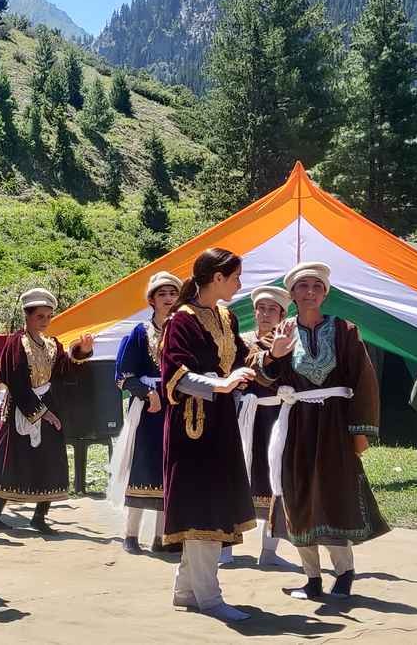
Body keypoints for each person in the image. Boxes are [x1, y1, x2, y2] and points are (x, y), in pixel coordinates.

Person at [254, 262, 390, 600]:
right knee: (297, 495)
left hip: (334, 427)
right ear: (292, 294)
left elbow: (364, 381)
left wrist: (360, 431)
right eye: (302, 286)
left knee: (334, 494)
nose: (310, 292)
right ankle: (312, 578)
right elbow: (258, 377)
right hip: (297, 425)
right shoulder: (280, 332)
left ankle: (344, 573)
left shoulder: (344, 330)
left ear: (325, 294)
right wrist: (273, 355)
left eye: (317, 286)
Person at [160, 248, 257, 622]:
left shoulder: (226, 316)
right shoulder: (180, 321)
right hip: (193, 427)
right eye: (235, 277)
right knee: (202, 506)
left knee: (213, 503)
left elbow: (242, 360)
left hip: (221, 424)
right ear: (217, 278)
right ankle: (210, 598)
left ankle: (187, 591)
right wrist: (221, 384)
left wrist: (271, 355)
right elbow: (175, 374)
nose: (239, 284)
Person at [0, 288, 93, 535]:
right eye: (40, 316)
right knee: (11, 459)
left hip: (47, 403)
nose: (45, 321)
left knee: (50, 458)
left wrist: (81, 351)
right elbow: (15, 381)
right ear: (27, 315)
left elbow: (64, 369)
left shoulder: (52, 344)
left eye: (49, 316)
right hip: (20, 406)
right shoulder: (16, 343)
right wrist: (42, 413)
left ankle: (40, 516)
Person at [108, 271, 181, 554]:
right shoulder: (139, 333)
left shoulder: (183, 332)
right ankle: (131, 534)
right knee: (141, 465)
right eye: (162, 294)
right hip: (147, 409)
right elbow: (123, 376)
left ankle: (162, 537)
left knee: (169, 468)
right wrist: (147, 393)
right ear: (151, 300)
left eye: (173, 293)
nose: (168, 299)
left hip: (175, 407)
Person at [235, 285, 296, 569]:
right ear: (254, 311)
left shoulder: (291, 343)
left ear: (282, 315)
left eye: (273, 309)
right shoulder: (240, 341)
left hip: (276, 416)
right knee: (235, 476)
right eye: (261, 308)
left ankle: (269, 551)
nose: (266, 314)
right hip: (244, 416)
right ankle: (225, 549)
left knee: (275, 477)